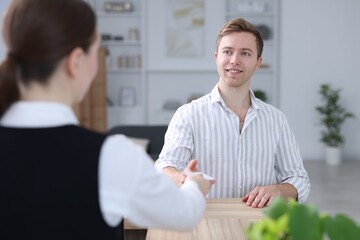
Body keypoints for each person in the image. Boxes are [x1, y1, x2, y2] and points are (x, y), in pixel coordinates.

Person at [0, 0, 213, 239]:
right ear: (76, 61)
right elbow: (184, 214)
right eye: (97, 52)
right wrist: (195, 184)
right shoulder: (110, 156)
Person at [155, 17, 310, 208]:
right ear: (216, 57)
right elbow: (164, 168)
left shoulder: (275, 119)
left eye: (245, 53)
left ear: (258, 62)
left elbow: (299, 180)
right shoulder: (188, 114)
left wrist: (278, 190)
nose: (234, 60)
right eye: (227, 52)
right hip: (207, 222)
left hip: (261, 226)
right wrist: (185, 180)